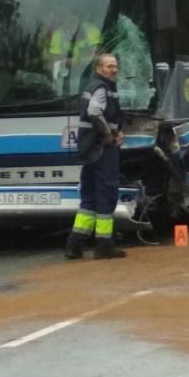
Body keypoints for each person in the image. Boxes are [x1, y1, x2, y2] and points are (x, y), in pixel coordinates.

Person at [64, 53, 127, 260]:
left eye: (115, 66)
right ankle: (104, 245)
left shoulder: (95, 86)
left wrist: (117, 131)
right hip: (102, 149)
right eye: (109, 66)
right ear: (99, 69)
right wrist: (109, 135)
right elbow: (94, 112)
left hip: (90, 150)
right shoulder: (102, 88)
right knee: (106, 195)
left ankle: (74, 245)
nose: (114, 69)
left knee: (89, 198)